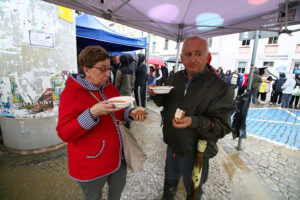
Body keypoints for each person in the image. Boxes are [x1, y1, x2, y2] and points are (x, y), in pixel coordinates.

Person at [148, 36, 236, 200]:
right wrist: (155, 94)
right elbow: (165, 103)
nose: (193, 59)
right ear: (181, 58)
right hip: (173, 145)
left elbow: (223, 126)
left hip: (196, 152)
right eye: (188, 54)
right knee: (170, 183)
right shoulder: (175, 78)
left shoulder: (220, 87)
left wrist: (193, 121)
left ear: (207, 56)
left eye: (198, 53)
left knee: (193, 190)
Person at [56, 46, 146, 200]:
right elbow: (64, 133)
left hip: (118, 157)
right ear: (86, 70)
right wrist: (91, 113)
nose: (107, 74)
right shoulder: (71, 93)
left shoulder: (109, 87)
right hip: (91, 163)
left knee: (116, 194)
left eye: (109, 69)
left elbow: (118, 112)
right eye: (102, 69)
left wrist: (130, 113)